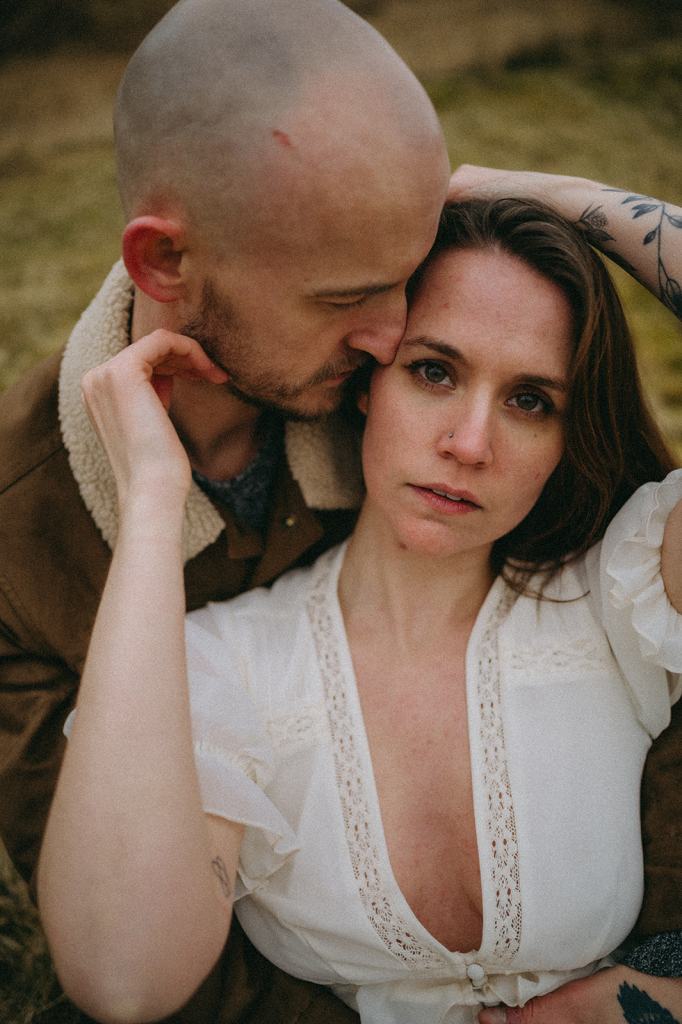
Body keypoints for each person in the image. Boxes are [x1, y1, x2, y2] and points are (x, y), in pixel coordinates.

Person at [37, 195, 681, 1024]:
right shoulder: (225, 664)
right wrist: (153, 505)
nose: (470, 443)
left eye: (530, 401)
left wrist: (526, 192)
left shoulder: (616, 592)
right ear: (367, 381)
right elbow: (124, 976)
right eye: (434, 371)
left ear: (567, 434)